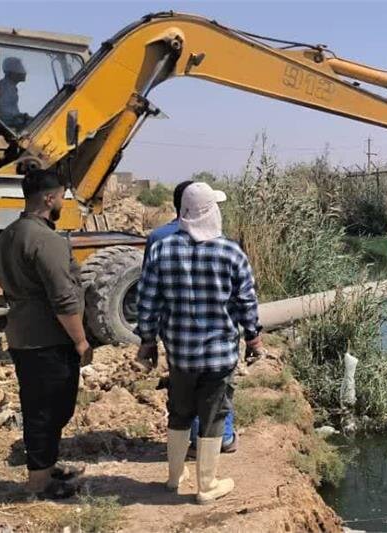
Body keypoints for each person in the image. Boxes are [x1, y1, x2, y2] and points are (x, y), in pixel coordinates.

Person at [135, 182, 264, 504]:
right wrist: (254, 338)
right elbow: (245, 302)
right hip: (219, 356)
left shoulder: (162, 250)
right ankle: (206, 487)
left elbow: (147, 302)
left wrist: (147, 341)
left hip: (179, 354)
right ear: (210, 211)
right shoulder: (231, 252)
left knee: (178, 412)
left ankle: (174, 477)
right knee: (212, 416)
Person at [0, 169, 93, 499]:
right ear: (49, 198)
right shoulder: (45, 239)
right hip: (46, 339)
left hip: (23, 334)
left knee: (44, 405)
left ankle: (46, 467)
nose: (63, 202)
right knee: (48, 409)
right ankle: (39, 483)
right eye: (62, 196)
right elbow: (63, 298)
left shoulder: (8, 235)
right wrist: (80, 340)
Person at [142, 180, 238, 459]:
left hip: (177, 338)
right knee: (217, 395)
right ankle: (220, 443)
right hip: (218, 342)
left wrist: (148, 338)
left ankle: (181, 461)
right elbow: (240, 296)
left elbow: (149, 294)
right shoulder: (224, 247)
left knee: (183, 397)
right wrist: (252, 335)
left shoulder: (158, 241)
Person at [0, 56, 31, 129]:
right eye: (20, 68)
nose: (24, 71)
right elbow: (4, 115)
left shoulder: (10, 87)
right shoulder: (5, 88)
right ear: (12, 72)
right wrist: (23, 120)